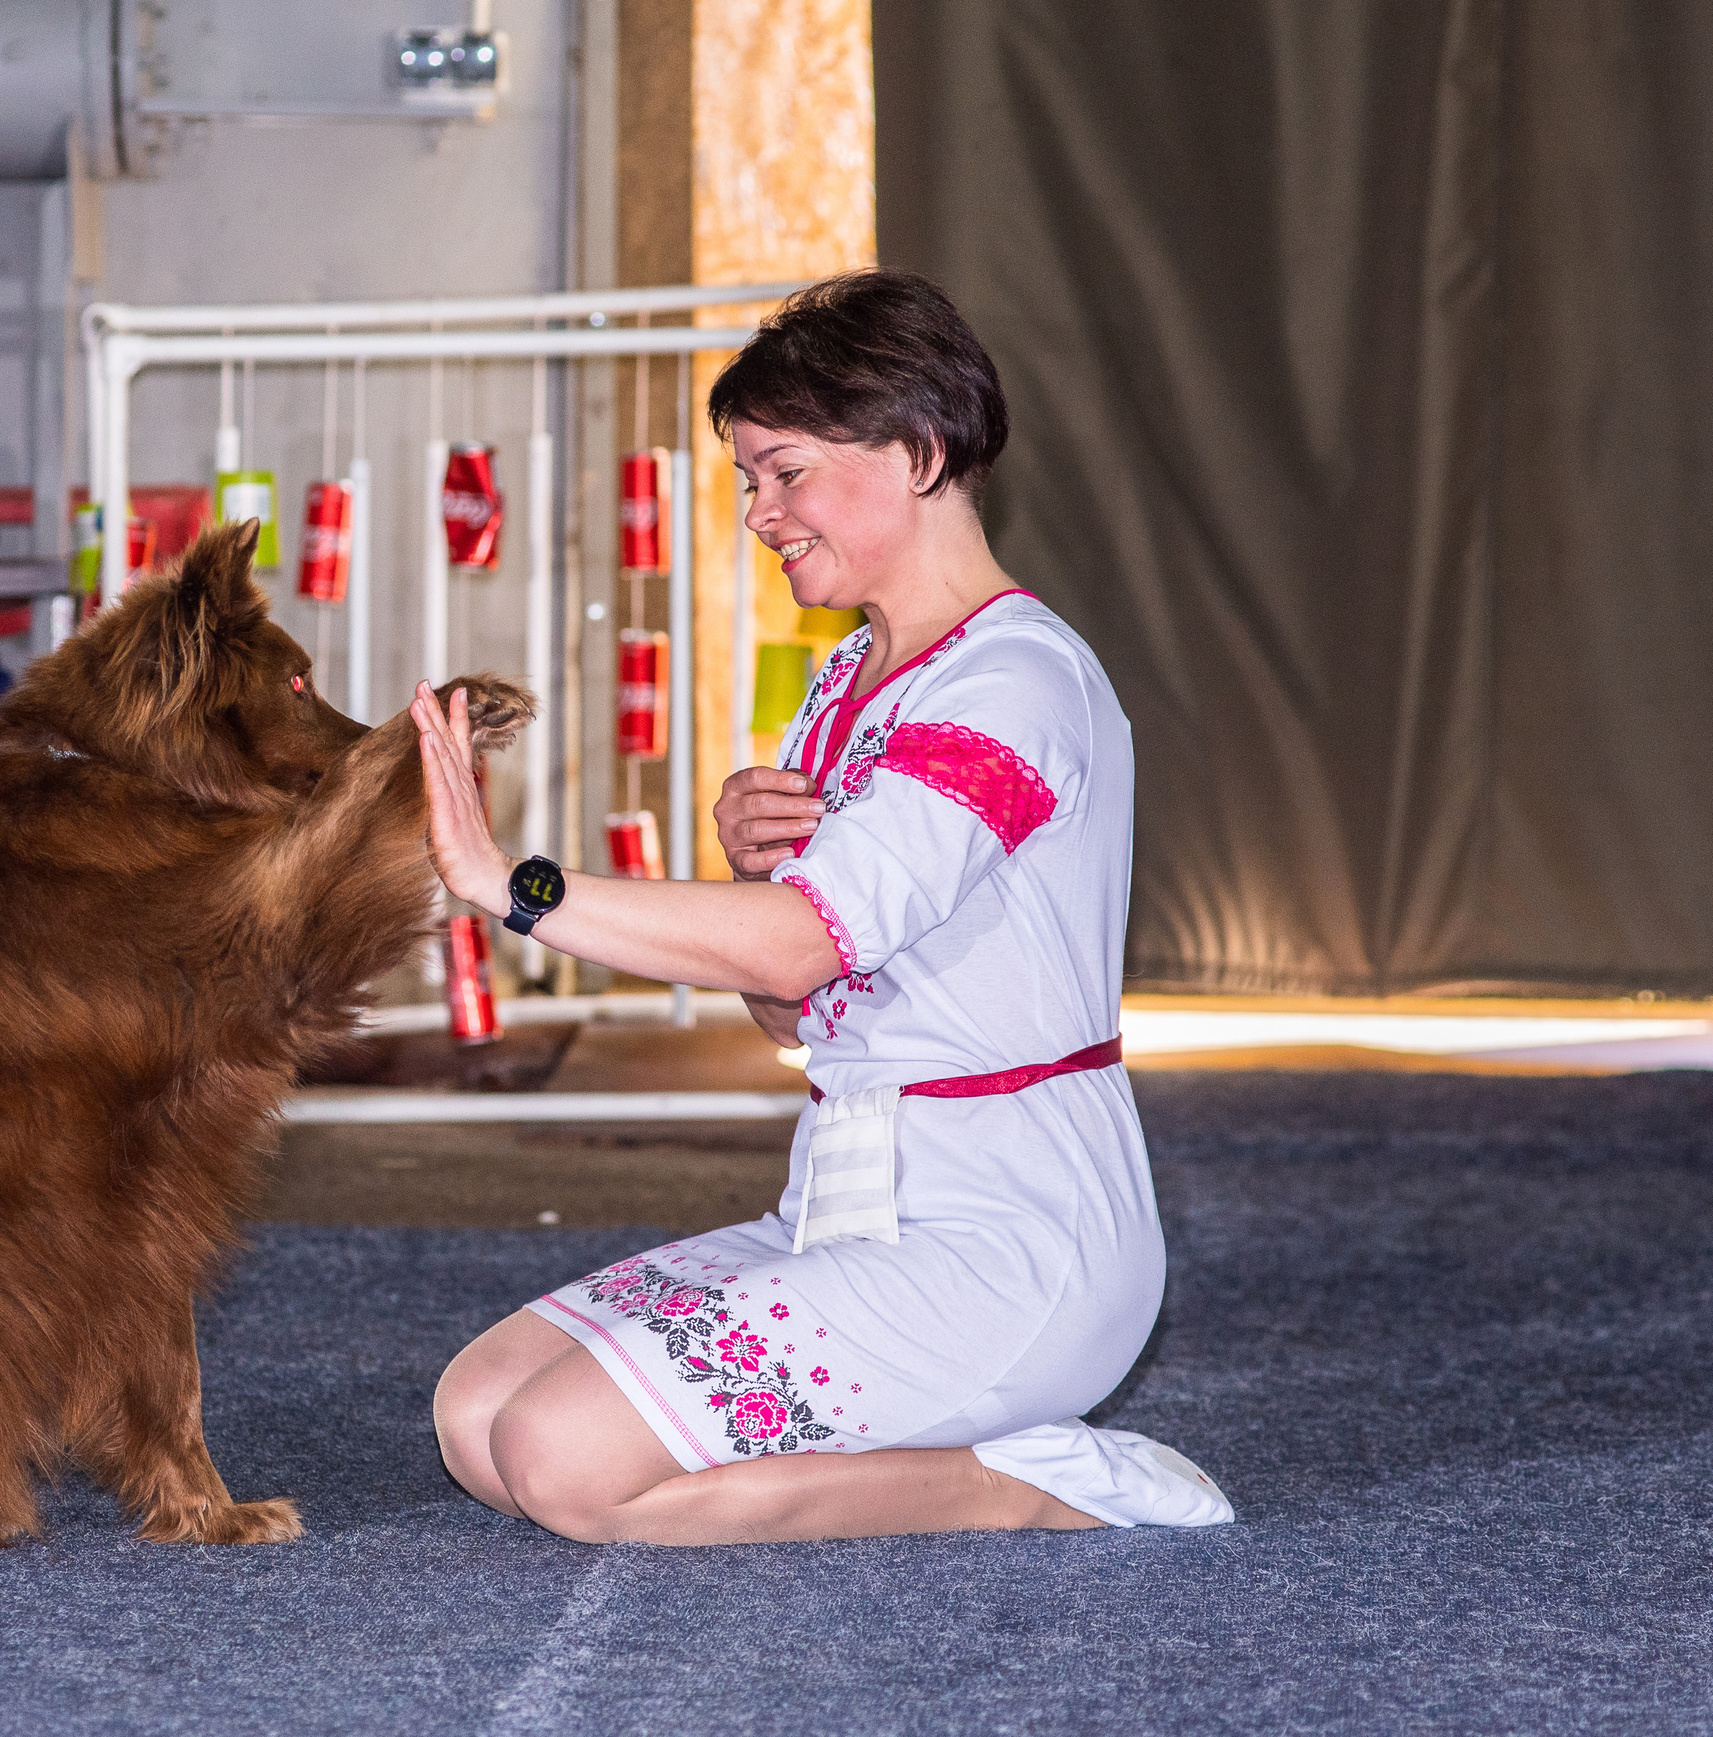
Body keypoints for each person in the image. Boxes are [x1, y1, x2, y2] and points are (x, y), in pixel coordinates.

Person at [413, 270, 1232, 1544]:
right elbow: (789, 1006)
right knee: (479, 1413)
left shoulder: (1011, 679)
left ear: (918, 451)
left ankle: (1024, 1480)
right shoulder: (847, 675)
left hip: (1011, 1240)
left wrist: (511, 886)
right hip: (845, 1200)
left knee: (560, 1463)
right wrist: (752, 880)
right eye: (748, 479)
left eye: (782, 472)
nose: (758, 512)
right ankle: (957, 1441)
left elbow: (806, 940)